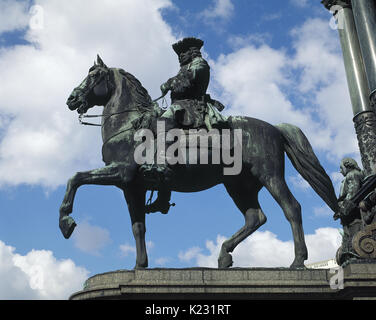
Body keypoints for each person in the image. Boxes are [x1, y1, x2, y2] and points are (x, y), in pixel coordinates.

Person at [144, 37, 228, 214]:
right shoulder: (185, 67)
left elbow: (187, 82)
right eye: (179, 54)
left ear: (191, 52)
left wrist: (169, 83)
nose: (180, 57)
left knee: (164, 120)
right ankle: (162, 198)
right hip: (183, 106)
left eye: (183, 53)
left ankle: (163, 163)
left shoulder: (200, 64)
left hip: (192, 107)